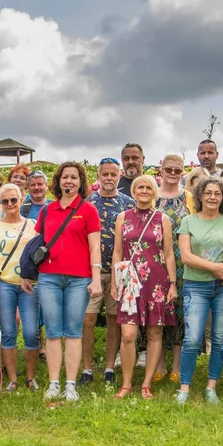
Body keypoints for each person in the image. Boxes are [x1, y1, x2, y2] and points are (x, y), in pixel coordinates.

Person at [28, 161, 102, 402]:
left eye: (74, 177)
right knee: (52, 332)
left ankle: (70, 384)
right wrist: (27, 273)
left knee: (72, 332)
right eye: (65, 177)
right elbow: (36, 244)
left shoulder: (88, 210)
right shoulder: (47, 211)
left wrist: (96, 278)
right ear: (58, 182)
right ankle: (53, 383)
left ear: (81, 183)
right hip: (48, 277)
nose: (69, 181)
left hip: (79, 280)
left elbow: (94, 247)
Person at [176, 177, 223, 405]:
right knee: (192, 338)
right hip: (196, 285)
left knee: (220, 338)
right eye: (208, 193)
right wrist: (214, 268)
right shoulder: (188, 222)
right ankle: (184, 387)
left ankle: (211, 386)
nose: (213, 197)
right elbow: (186, 257)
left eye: (217, 193)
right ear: (200, 195)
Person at [111, 175, 177, 399]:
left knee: (154, 332)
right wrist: (114, 281)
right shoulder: (123, 217)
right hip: (130, 283)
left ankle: (146, 383)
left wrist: (173, 284)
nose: (144, 191)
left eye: (148, 187)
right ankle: (126, 383)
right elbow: (118, 252)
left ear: (154, 191)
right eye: (140, 186)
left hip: (156, 281)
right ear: (133, 190)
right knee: (128, 334)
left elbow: (168, 253)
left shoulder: (162, 219)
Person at [81, 157, 135, 385]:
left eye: (114, 174)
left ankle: (110, 368)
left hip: (119, 273)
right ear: (99, 176)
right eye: (105, 174)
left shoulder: (128, 203)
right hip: (90, 271)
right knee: (88, 320)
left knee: (114, 320)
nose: (109, 178)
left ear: (119, 175)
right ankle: (87, 368)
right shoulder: (87, 203)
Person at [0, 183, 39, 392]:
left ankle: (31, 378)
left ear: (21, 199)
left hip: (28, 286)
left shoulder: (33, 225)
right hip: (4, 284)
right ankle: (13, 379)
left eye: (13, 200)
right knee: (8, 332)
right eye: (4, 201)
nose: (9, 204)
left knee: (32, 332)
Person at [153, 154, 195, 383]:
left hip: (182, 265)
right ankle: (159, 363)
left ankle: (177, 365)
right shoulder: (152, 196)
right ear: (161, 169)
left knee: (179, 312)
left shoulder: (189, 198)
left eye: (177, 170)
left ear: (182, 173)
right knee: (157, 312)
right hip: (154, 263)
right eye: (168, 169)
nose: (172, 173)